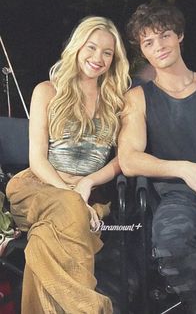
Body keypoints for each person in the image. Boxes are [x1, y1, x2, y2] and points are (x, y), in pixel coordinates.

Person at [6, 16, 130, 314]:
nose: (97, 58)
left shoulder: (117, 101)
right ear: (77, 47)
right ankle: (92, 309)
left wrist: (87, 183)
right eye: (91, 47)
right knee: (72, 208)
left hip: (88, 198)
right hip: (38, 187)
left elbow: (123, 160)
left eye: (107, 53)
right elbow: (37, 159)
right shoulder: (47, 91)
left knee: (42, 242)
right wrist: (72, 193)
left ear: (115, 60)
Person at [118, 3, 196, 314]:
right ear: (142, 50)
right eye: (148, 42)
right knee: (171, 242)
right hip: (180, 196)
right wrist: (184, 169)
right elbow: (129, 159)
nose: (159, 46)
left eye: (164, 35)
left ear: (179, 36)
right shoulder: (139, 98)